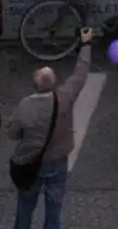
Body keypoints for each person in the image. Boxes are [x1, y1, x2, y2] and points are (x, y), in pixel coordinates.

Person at [5, 28, 93, 229]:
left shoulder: (24, 107)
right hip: (57, 161)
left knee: (25, 205)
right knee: (54, 207)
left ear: (34, 85)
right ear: (54, 84)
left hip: (30, 163)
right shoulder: (64, 97)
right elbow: (81, 73)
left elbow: (12, 133)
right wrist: (86, 44)